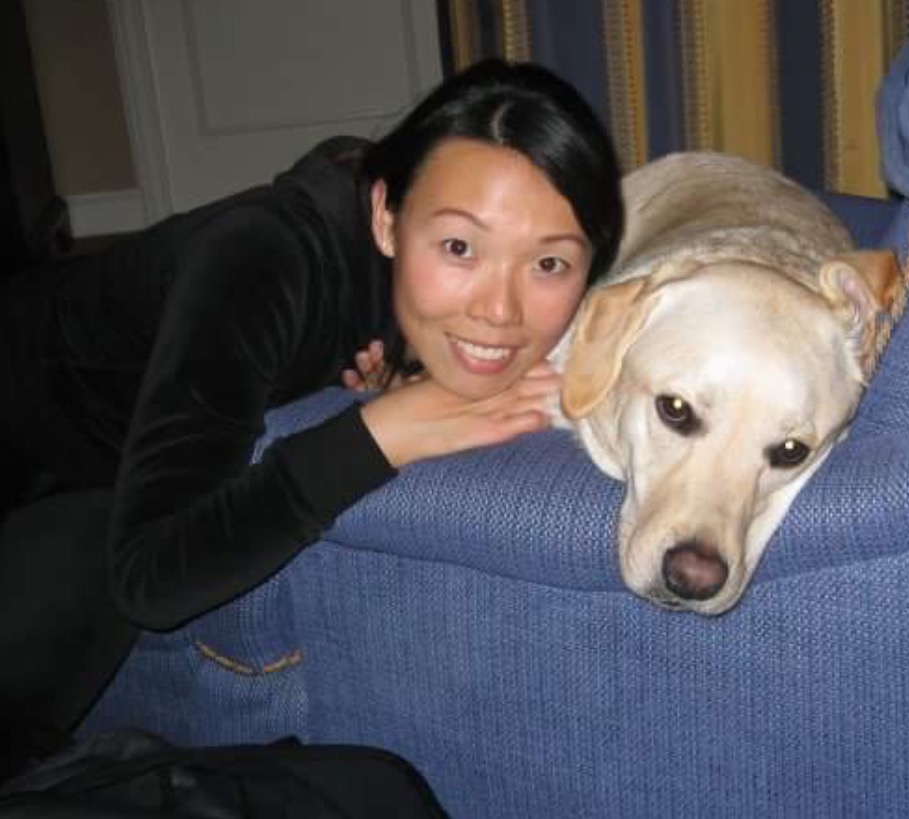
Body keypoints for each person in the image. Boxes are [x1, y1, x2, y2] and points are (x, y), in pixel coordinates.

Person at [0, 58, 623, 777]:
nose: (500, 310)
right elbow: (152, 580)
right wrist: (382, 432)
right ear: (386, 216)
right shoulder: (263, 260)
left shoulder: (400, 285)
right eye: (460, 247)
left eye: (548, 265)